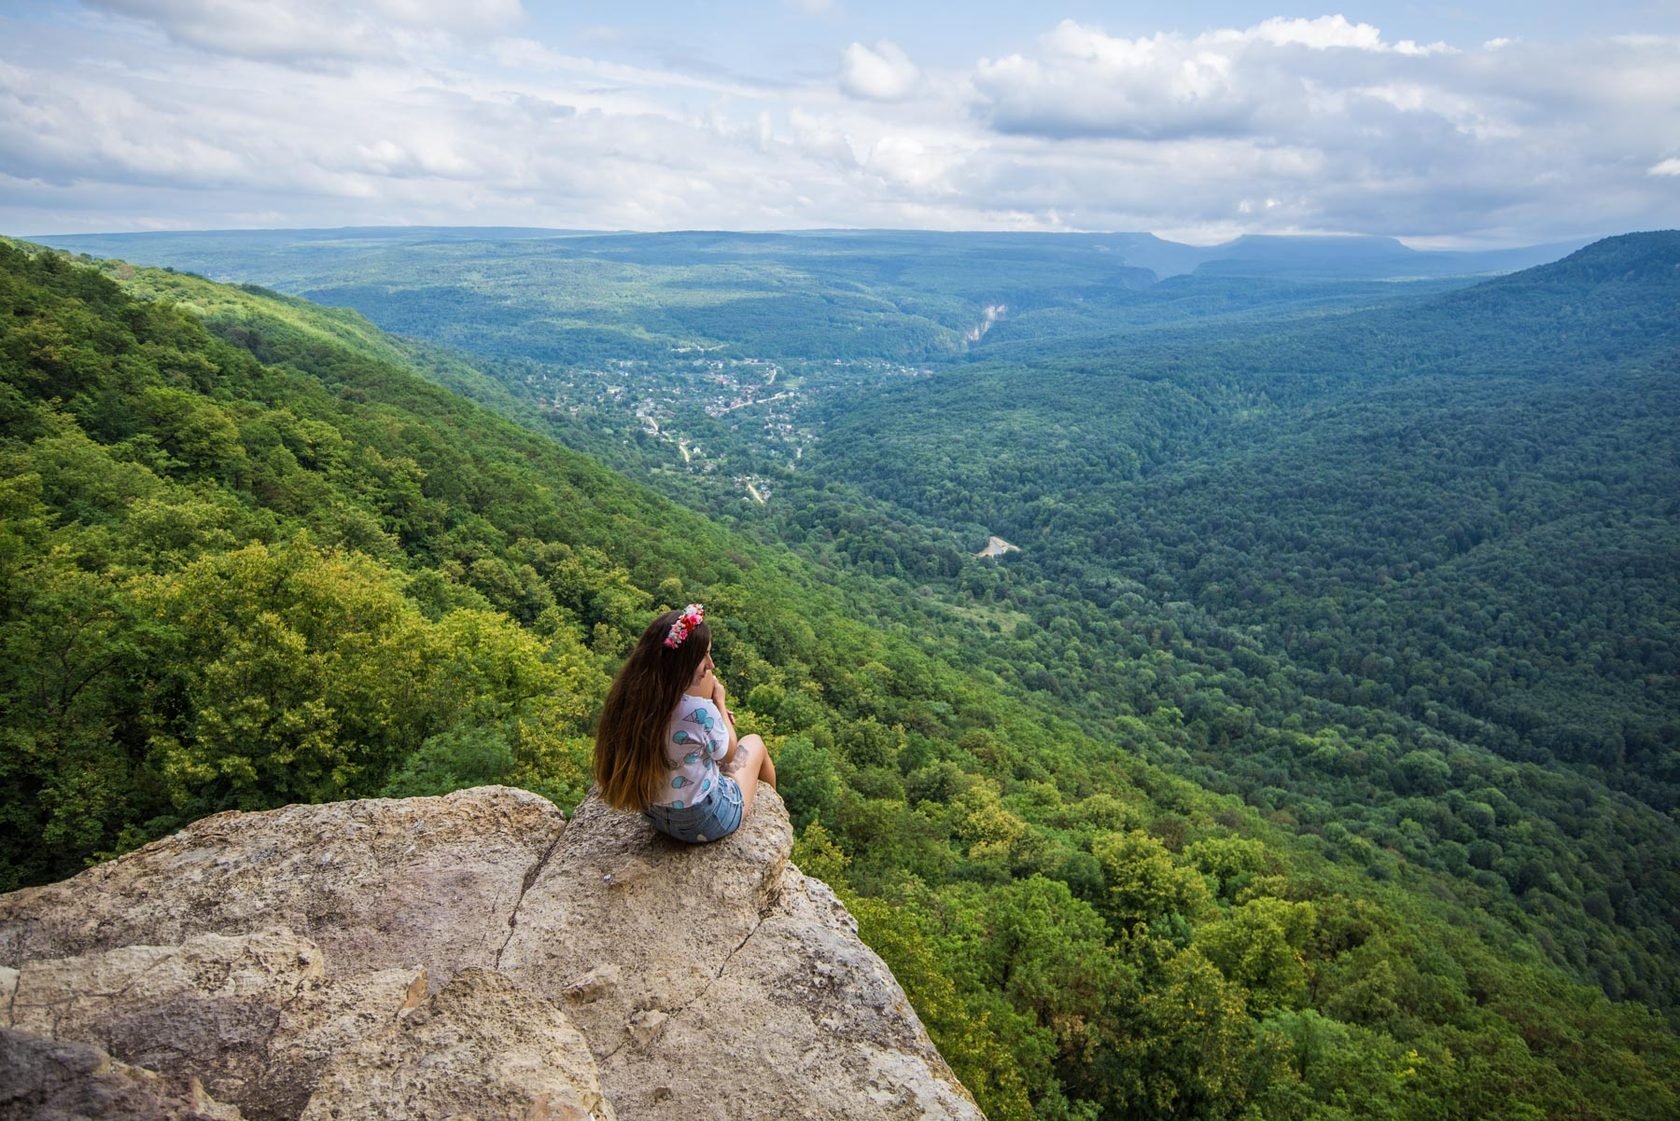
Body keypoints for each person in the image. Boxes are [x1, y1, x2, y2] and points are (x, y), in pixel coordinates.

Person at [594, 603, 776, 843]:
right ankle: (774, 811)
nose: (710, 664)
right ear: (683, 663)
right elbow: (729, 755)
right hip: (705, 821)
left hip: (653, 814)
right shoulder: (699, 711)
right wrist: (719, 704)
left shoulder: (630, 701)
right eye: (703, 656)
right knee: (755, 743)